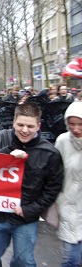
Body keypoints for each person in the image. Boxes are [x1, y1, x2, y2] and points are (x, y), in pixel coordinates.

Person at [0, 102, 64, 267]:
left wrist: (30, 209)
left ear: (38, 126)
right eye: (21, 125)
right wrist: (7, 156)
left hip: (26, 218)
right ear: (13, 123)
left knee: (24, 262)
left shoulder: (50, 153)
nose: (25, 130)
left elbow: (52, 188)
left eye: (30, 126)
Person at [54, 101, 82, 267]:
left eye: (80, 124)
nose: (76, 129)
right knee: (71, 259)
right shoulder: (62, 141)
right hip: (68, 207)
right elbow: (54, 171)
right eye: (71, 124)